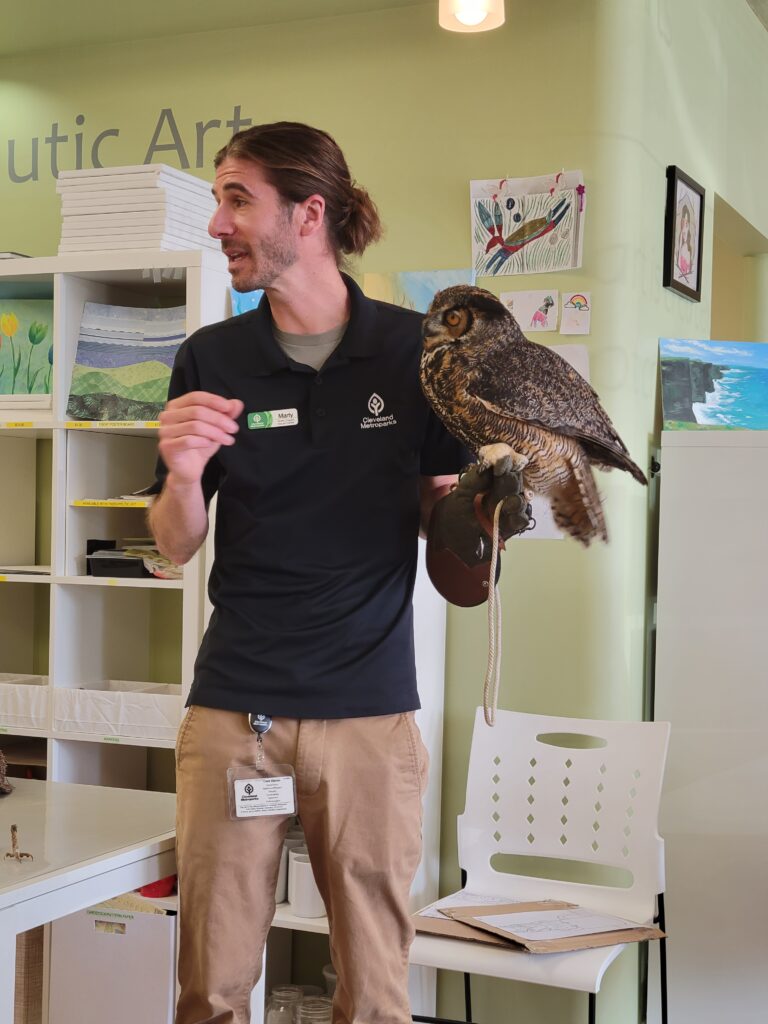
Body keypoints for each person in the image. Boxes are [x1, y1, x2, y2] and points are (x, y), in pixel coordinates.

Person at [149, 121, 527, 1024]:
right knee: (210, 988)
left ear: (309, 213)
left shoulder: (418, 354)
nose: (217, 224)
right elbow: (172, 543)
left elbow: (457, 557)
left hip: (369, 720)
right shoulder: (213, 357)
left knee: (375, 991)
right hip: (234, 713)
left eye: (238, 198)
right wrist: (183, 473)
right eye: (218, 200)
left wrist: (488, 504)